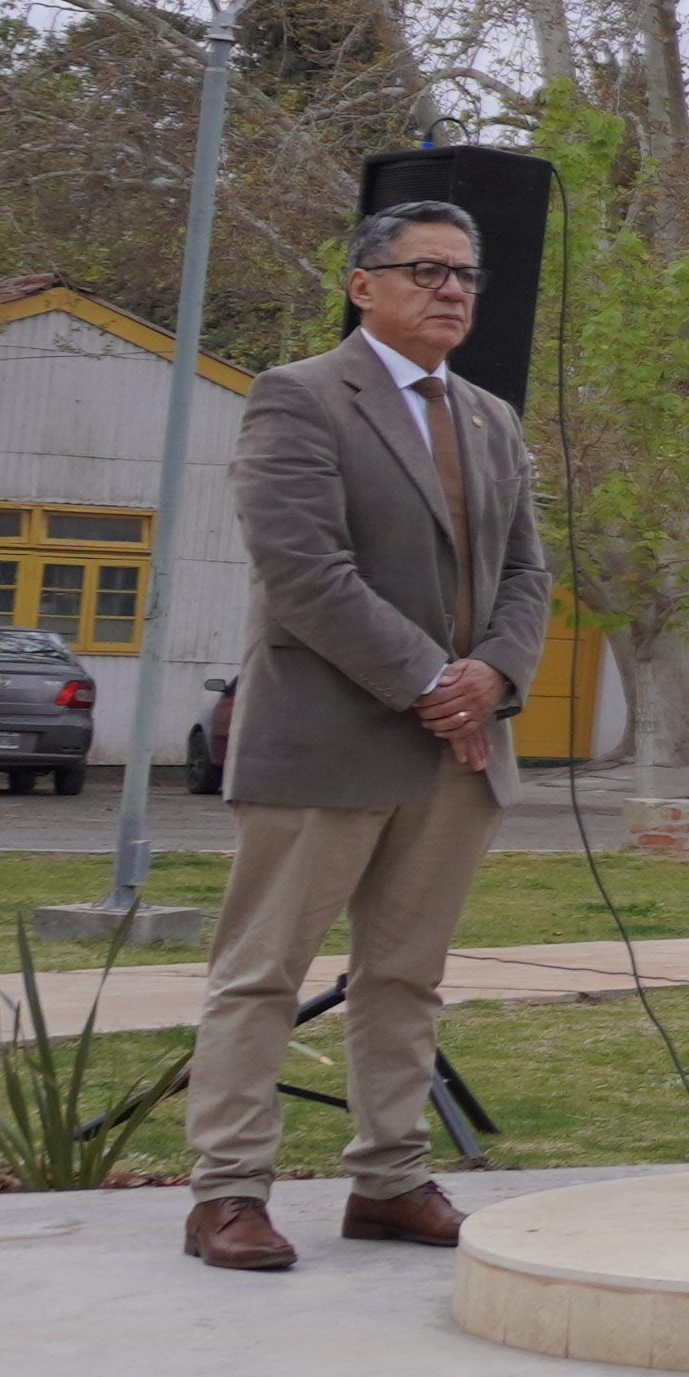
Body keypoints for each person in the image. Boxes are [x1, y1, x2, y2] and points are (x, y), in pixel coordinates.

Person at [181, 198, 554, 1273]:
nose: (452, 291)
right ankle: (229, 1193)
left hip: (460, 748)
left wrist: (493, 675)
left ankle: (390, 1178)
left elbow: (526, 571)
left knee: (406, 976)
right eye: (428, 270)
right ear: (363, 285)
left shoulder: (490, 414)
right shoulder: (297, 398)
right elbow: (303, 572)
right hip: (327, 740)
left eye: (465, 276)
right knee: (262, 973)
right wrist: (432, 678)